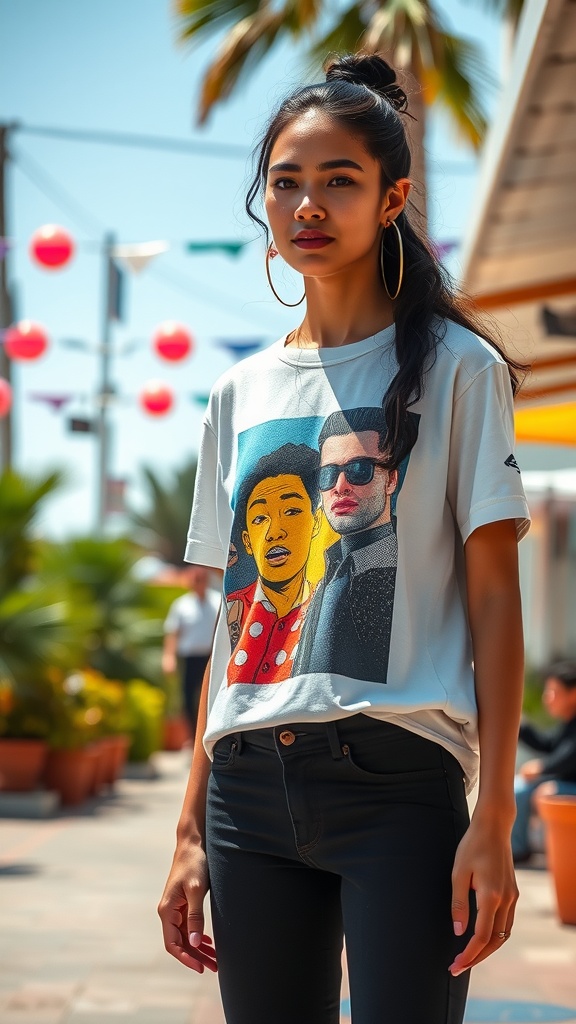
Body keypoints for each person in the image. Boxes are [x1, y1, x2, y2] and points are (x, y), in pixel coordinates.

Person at [158, 53, 531, 1024]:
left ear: (393, 197)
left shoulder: (458, 369)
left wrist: (491, 815)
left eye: (339, 181)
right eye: (286, 182)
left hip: (400, 786)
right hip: (246, 791)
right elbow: (237, 632)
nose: (308, 205)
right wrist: (190, 825)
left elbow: (495, 601)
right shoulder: (236, 392)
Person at [293, 407, 399, 683]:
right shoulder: (327, 571)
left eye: (359, 469)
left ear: (391, 480)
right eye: (328, 474)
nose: (340, 486)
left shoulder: (399, 576)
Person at [225, 442, 321, 684]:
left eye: (291, 511)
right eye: (259, 518)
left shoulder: (330, 607)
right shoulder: (235, 608)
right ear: (247, 541)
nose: (274, 532)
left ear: (316, 521)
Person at [512, 661, 576, 863]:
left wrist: (541, 767)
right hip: (565, 782)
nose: (546, 698)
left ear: (573, 694)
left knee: (542, 792)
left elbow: (570, 756)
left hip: (569, 786)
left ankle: (556, 854)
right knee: (518, 787)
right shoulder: (568, 722)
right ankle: (518, 848)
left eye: (553, 692)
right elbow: (550, 745)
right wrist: (518, 723)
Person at [162, 565, 221, 743]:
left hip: (211, 658)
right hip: (189, 658)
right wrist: (168, 657)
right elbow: (172, 633)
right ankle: (193, 736)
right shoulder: (181, 605)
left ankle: (212, 734)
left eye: (201, 579)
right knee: (188, 698)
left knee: (213, 696)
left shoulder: (218, 601)